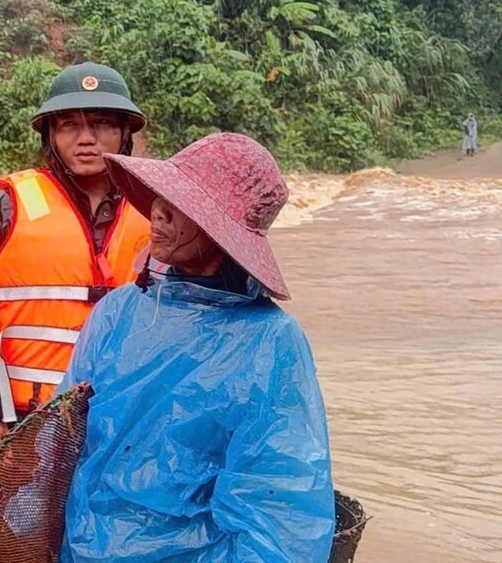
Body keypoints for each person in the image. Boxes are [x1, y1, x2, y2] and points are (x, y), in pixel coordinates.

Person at [57, 132, 335, 562]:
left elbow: (278, 509)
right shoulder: (119, 311)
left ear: (219, 229)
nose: (159, 212)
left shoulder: (270, 343)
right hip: (81, 547)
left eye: (181, 203)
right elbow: (59, 440)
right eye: (161, 196)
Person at [0, 62, 153, 453]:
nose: (86, 139)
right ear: (51, 135)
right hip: (31, 420)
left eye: (103, 123)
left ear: (125, 133)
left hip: (132, 419)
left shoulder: (158, 209)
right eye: (69, 125)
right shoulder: (6, 207)